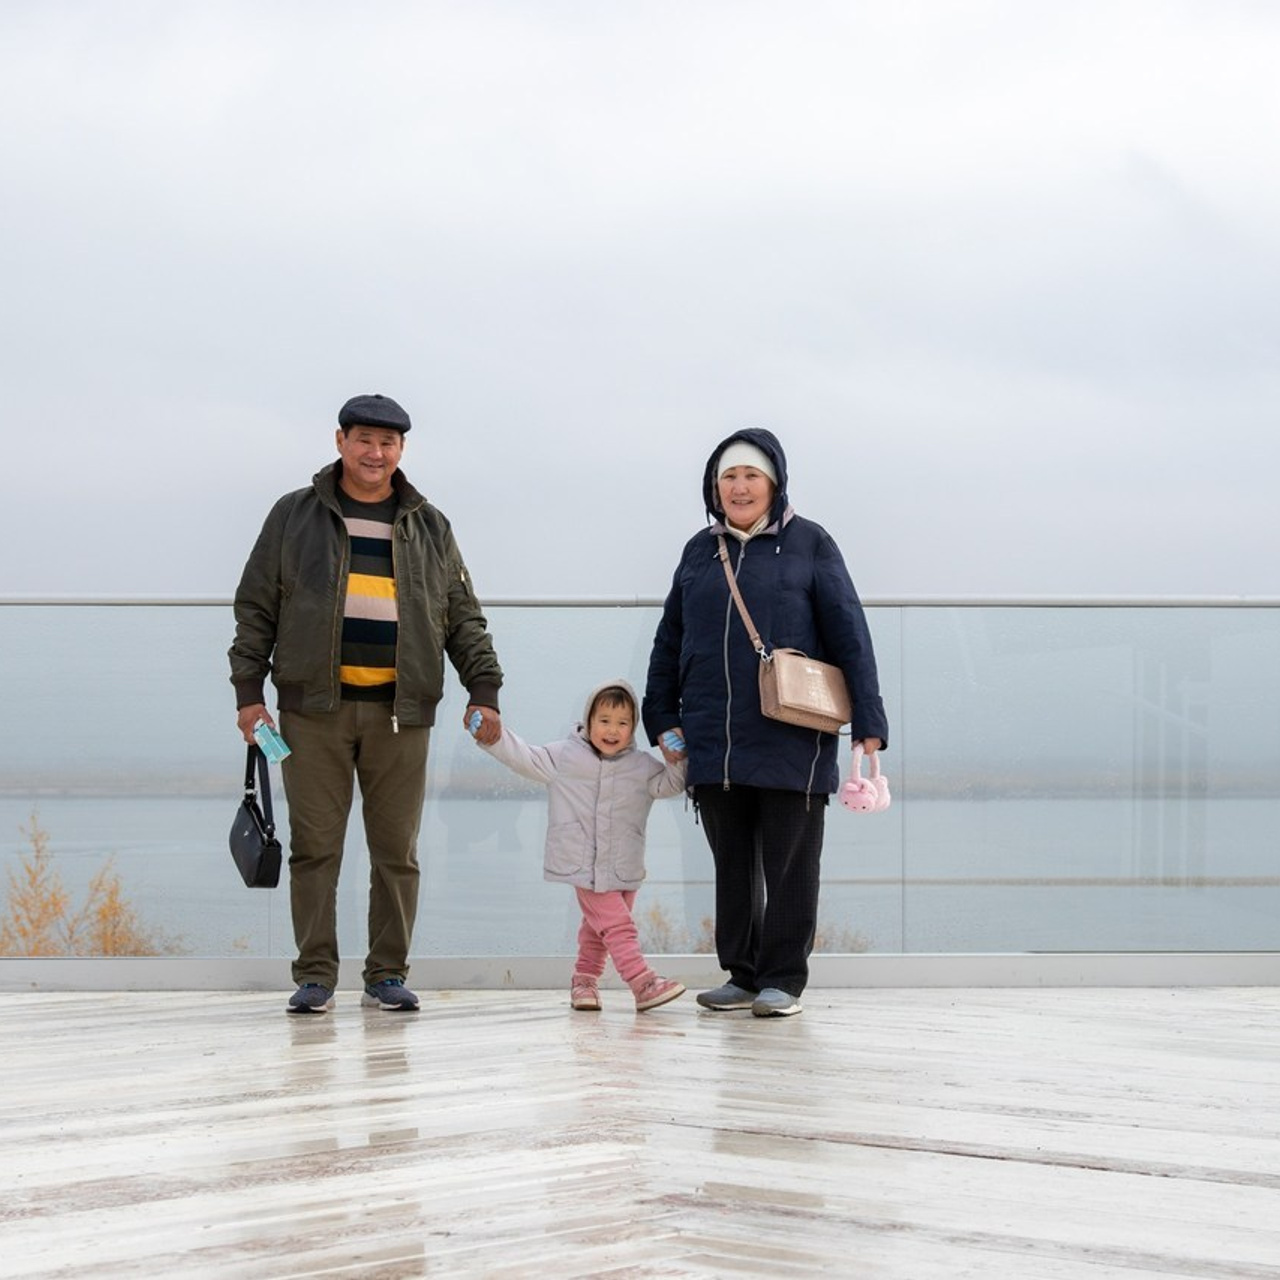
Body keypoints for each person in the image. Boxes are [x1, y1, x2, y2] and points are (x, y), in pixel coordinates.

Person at [229, 393, 504, 1014]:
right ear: (339, 442)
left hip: (401, 715)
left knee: (396, 854)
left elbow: (463, 617)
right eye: (363, 440)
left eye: (388, 442)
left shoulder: (430, 525)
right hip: (312, 713)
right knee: (315, 849)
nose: (375, 453)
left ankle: (386, 974)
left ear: (402, 450)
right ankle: (315, 976)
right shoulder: (293, 516)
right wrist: (250, 696)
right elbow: (255, 608)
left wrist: (483, 689)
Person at [642, 428, 888, 1018]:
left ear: (774, 483)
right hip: (715, 738)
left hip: (792, 734)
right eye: (729, 477)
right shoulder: (699, 551)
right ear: (714, 486)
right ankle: (743, 973)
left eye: (751, 475)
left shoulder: (810, 543)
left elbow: (848, 631)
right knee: (732, 862)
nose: (740, 486)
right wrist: (660, 713)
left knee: (790, 861)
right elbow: (670, 639)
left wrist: (869, 719)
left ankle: (783, 978)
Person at [475, 680, 687, 1012]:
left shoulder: (642, 766)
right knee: (617, 926)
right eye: (604, 720)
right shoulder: (565, 756)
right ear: (589, 721)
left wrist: (678, 757)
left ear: (633, 728)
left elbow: (671, 784)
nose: (612, 730)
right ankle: (642, 983)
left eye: (622, 722)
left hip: (624, 863)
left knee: (597, 929)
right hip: (581, 862)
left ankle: (584, 982)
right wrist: (492, 737)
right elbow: (523, 757)